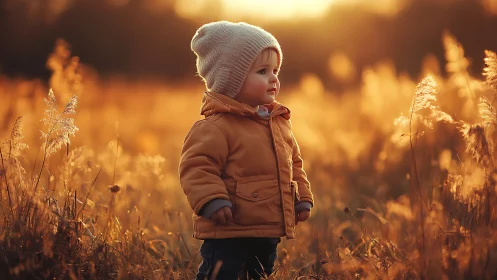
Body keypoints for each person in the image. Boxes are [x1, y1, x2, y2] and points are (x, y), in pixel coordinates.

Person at [179, 21, 314, 280]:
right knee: (222, 273)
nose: (273, 77)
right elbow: (196, 166)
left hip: (268, 227)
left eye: (275, 70)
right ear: (231, 80)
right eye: (262, 71)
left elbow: (294, 163)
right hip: (229, 228)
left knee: (260, 273)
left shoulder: (278, 122)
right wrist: (211, 200)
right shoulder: (217, 127)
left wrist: (302, 197)